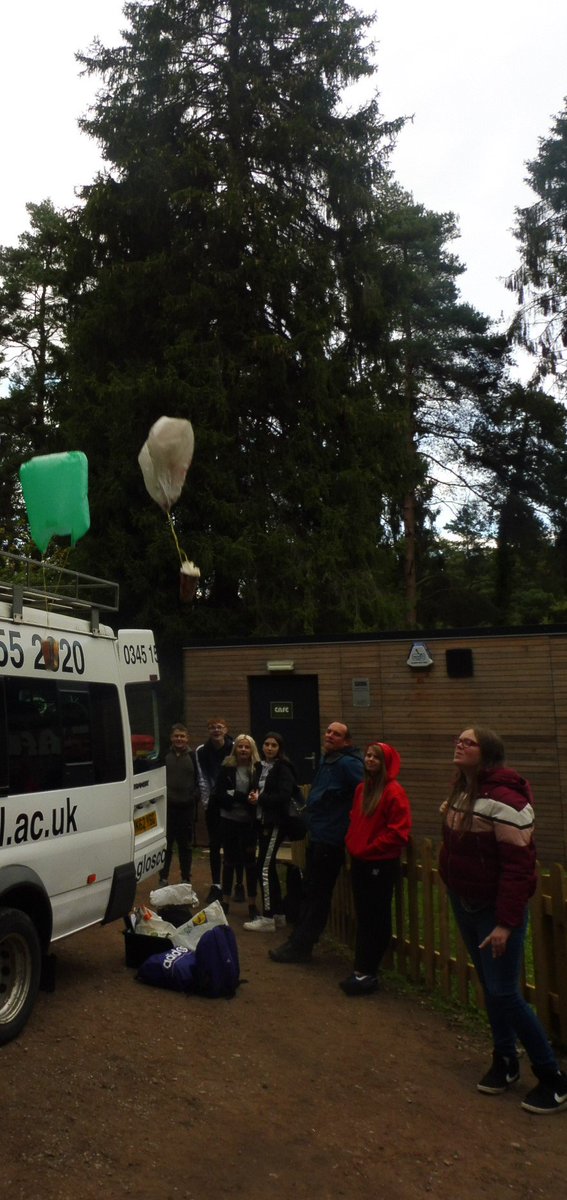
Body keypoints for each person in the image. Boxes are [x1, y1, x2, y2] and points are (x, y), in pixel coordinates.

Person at [439, 725, 567, 1115]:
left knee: (504, 992)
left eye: (469, 742)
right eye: (458, 739)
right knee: (490, 987)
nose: (459, 744)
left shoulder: (507, 800)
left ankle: (553, 1077)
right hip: (467, 903)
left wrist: (506, 924)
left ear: (487, 753)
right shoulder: (463, 789)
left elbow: (519, 869)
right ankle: (506, 1059)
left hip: (495, 912)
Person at [269, 720, 364, 964]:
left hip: (331, 839)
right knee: (310, 890)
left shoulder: (349, 764)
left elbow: (365, 792)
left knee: (318, 895)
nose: (330, 736)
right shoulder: (328, 760)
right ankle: (299, 940)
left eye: (337, 734)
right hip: (318, 834)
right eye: (329, 732)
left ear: (347, 741)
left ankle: (301, 946)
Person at [340, 740, 412, 996]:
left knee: (375, 917)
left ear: (385, 763)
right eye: (368, 756)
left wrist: (369, 849)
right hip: (360, 860)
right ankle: (361, 968)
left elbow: (398, 832)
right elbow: (355, 820)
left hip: (379, 863)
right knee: (364, 915)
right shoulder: (362, 789)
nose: (369, 760)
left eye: (376, 757)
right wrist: (354, 843)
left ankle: (367, 971)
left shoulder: (394, 792)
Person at [243, 732, 296, 933]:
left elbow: (284, 795)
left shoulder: (283, 768)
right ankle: (278, 914)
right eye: (266, 744)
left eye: (274, 745)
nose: (270, 748)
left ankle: (266, 917)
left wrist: (261, 799)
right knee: (269, 867)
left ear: (280, 748)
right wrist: (252, 797)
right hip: (260, 821)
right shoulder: (259, 767)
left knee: (262, 868)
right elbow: (257, 789)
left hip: (275, 823)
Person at [194, 717, 244, 904]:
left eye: (220, 727)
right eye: (212, 727)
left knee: (236, 845)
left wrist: (234, 798)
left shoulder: (235, 747)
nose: (216, 730)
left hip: (233, 803)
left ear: (226, 729)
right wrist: (208, 803)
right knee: (215, 845)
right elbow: (202, 778)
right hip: (214, 804)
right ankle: (216, 885)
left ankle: (239, 884)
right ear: (208, 730)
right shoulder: (201, 751)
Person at [212, 733, 261, 920]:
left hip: (248, 822)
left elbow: (256, 794)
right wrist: (241, 797)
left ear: (251, 750)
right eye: (240, 746)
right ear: (235, 749)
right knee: (229, 861)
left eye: (246, 747)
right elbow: (220, 794)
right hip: (229, 820)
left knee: (250, 863)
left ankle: (251, 904)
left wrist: (236, 795)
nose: (243, 750)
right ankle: (224, 902)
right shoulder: (227, 768)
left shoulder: (257, 769)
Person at [159, 723, 199, 885]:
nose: (179, 739)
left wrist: (193, 798)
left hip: (186, 809)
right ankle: (163, 878)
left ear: (187, 738)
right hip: (167, 808)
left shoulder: (193, 757)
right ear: (171, 738)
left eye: (182, 736)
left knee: (185, 846)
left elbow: (199, 780)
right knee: (166, 846)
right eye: (176, 736)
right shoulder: (164, 756)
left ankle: (185, 879)